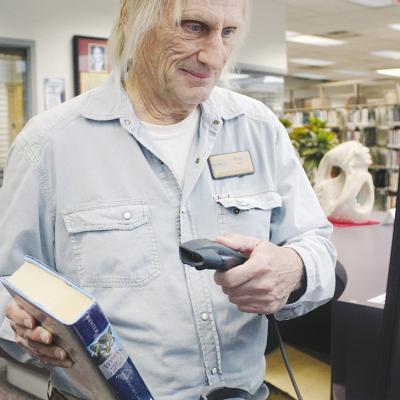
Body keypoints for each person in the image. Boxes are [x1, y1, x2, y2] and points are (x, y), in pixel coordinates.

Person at [0, 1, 336, 399]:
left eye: (228, 33)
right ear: (131, 20)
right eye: (193, 27)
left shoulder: (258, 129)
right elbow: (8, 283)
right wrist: (21, 325)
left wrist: (294, 269)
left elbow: (318, 247)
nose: (214, 57)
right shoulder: (49, 145)